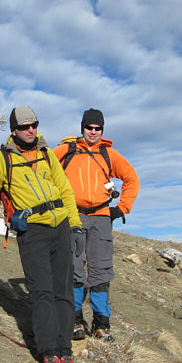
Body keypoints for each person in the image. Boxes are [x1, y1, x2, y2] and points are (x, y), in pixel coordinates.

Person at [0, 106, 85, 363]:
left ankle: (65, 349)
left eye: (34, 124)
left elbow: (65, 189)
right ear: (14, 130)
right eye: (24, 126)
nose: (31, 130)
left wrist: (76, 227)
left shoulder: (46, 153)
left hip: (61, 226)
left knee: (63, 291)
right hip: (33, 233)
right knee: (42, 292)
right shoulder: (2, 159)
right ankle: (48, 353)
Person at [54, 108, 139, 342]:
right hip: (74, 217)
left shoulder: (109, 154)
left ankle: (102, 325)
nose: (93, 132)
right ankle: (74, 321)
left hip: (102, 219)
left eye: (97, 128)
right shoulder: (66, 151)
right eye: (89, 128)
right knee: (74, 269)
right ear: (82, 128)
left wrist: (121, 208)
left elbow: (132, 178)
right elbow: (42, 167)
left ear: (102, 130)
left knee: (101, 270)